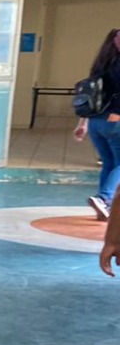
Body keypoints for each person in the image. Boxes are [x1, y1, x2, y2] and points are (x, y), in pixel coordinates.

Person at [75, 28, 120, 220]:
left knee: (109, 163)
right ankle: (104, 198)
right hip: (114, 121)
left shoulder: (100, 64)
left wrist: (82, 123)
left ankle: (104, 206)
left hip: (95, 122)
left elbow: (90, 94)